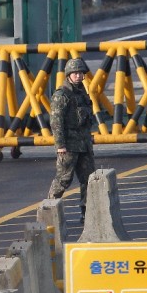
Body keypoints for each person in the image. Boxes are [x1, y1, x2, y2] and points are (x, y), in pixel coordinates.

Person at [47, 57, 96, 221]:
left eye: (81, 73)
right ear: (68, 75)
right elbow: (56, 121)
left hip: (84, 143)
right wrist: (60, 145)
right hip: (69, 144)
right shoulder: (62, 95)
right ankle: (49, 211)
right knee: (63, 179)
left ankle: (86, 212)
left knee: (89, 180)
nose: (78, 76)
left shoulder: (82, 93)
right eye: (75, 73)